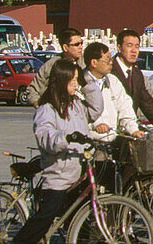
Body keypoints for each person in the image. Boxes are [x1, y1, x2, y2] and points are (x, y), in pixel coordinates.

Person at [13, 59, 103, 244]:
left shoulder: (76, 105)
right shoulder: (47, 109)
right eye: (73, 81)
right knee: (43, 220)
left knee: (79, 221)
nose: (76, 84)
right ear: (62, 81)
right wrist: (66, 138)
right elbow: (45, 136)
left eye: (77, 80)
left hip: (78, 173)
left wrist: (86, 83)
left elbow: (96, 109)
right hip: (58, 175)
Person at [113, 29, 153, 133]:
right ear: (119, 48)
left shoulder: (137, 73)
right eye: (129, 45)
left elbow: (146, 102)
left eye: (137, 46)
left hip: (131, 128)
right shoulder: (109, 70)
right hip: (112, 128)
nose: (134, 50)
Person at [82, 42, 143, 143]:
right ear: (94, 63)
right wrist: (96, 124)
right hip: (90, 141)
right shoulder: (80, 82)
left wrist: (133, 129)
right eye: (107, 60)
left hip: (113, 140)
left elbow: (124, 106)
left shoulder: (112, 80)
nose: (111, 63)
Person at [25, 28, 84, 107]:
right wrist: (40, 108)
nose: (81, 47)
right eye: (77, 44)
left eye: (81, 43)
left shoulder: (86, 63)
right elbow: (32, 90)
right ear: (65, 47)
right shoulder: (51, 65)